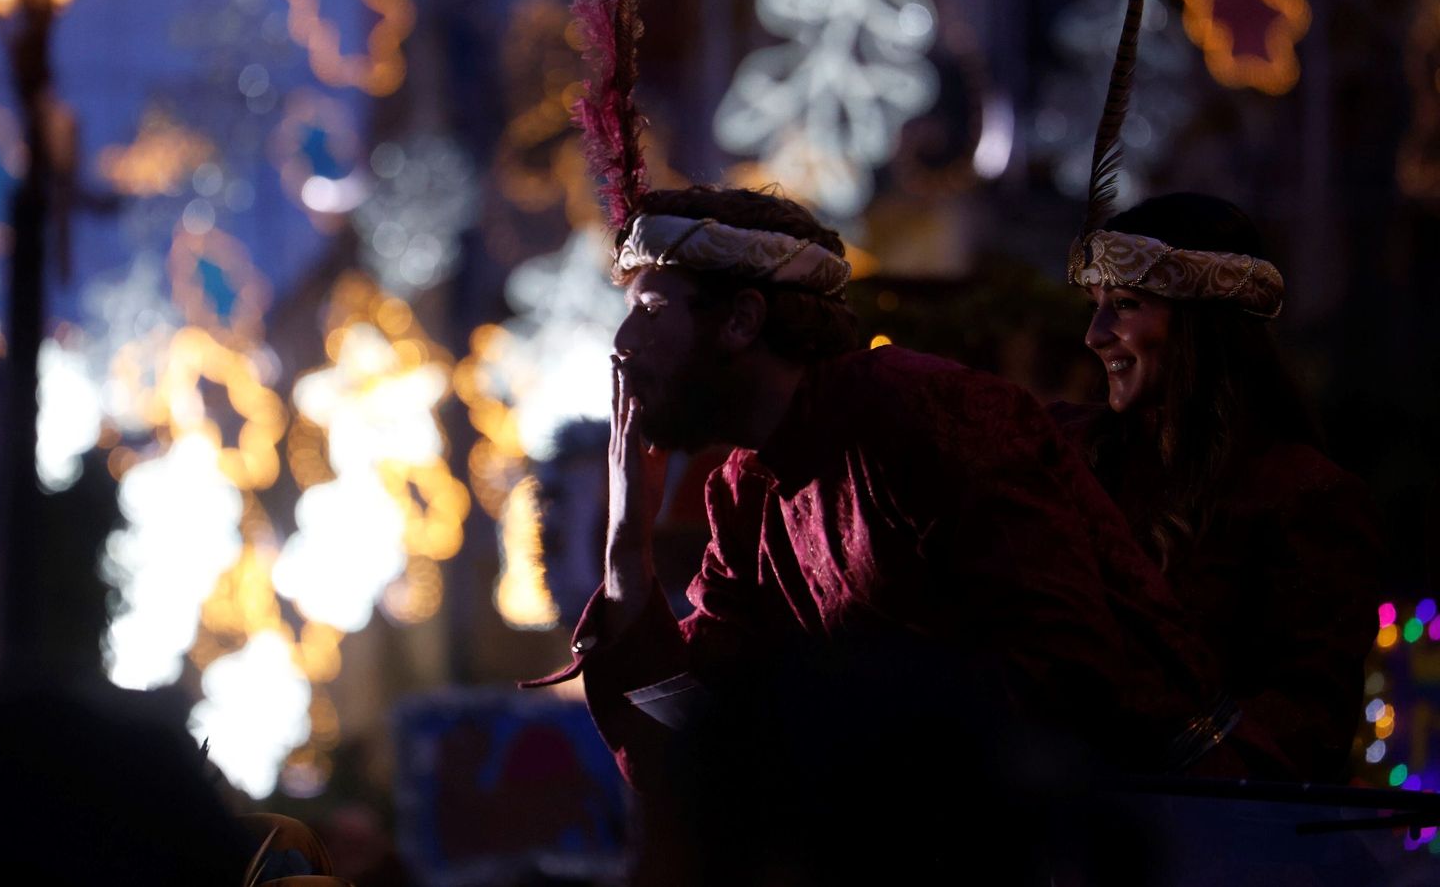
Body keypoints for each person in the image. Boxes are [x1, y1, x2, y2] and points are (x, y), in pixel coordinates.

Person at [525, 185, 1224, 883]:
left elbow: (1066, 680)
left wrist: (835, 743)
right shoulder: (745, 492)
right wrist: (626, 548)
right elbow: (692, 746)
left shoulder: (927, 414)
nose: (622, 346)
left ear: (741, 320)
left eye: (649, 309)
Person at [1056, 191, 1382, 781]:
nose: (1095, 334)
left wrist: (1170, 758)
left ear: (1202, 324)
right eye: (1094, 304)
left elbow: (1309, 721)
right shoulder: (1066, 454)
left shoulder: (1303, 497)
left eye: (1125, 304)